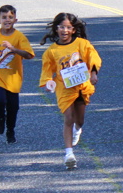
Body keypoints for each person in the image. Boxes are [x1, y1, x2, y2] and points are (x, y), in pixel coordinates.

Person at [39, 12, 102, 170]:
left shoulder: (82, 44)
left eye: (68, 27)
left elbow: (93, 57)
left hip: (81, 87)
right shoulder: (51, 51)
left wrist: (93, 72)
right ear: (56, 29)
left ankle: (78, 129)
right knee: (68, 118)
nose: (65, 30)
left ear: (73, 30)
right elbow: (47, 72)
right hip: (64, 88)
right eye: (61, 27)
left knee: (79, 120)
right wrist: (48, 82)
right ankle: (69, 154)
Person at [0, 5, 35, 144]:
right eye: (4, 17)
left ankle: (10, 131)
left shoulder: (19, 37)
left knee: (13, 107)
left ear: (15, 20)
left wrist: (14, 49)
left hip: (13, 78)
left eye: (10, 17)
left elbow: (29, 55)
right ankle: (0, 118)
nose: (7, 20)